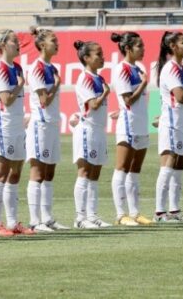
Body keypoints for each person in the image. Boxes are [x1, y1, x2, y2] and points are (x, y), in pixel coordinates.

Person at [0, 29, 35, 236]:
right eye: (14, 41)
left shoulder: (16, 67)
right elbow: (6, 99)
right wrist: (20, 85)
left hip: (16, 125)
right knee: (0, 174)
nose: (18, 44)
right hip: (3, 125)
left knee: (15, 173)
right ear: (2, 46)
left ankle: (14, 222)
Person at [26, 28, 68, 232]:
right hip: (40, 124)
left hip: (52, 123)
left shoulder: (51, 67)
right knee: (38, 172)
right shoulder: (37, 68)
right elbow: (43, 101)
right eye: (54, 40)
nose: (57, 44)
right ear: (42, 45)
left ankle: (47, 217)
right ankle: (35, 221)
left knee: (50, 172)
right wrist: (57, 85)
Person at [110, 31, 153, 226]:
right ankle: (121, 214)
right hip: (128, 125)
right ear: (127, 49)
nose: (143, 49)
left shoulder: (138, 68)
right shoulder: (122, 70)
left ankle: (135, 213)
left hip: (141, 124)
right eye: (139, 46)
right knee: (122, 169)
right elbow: (127, 100)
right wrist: (143, 84)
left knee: (135, 171)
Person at [72, 40, 112, 229]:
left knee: (95, 173)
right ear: (86, 58)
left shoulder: (99, 78)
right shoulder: (84, 78)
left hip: (99, 130)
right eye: (98, 54)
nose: (102, 57)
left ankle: (92, 215)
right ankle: (80, 218)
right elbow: (93, 105)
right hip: (87, 130)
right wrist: (105, 93)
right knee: (85, 172)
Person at [153, 31, 183, 222]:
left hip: (182, 123)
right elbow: (181, 97)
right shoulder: (171, 69)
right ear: (173, 47)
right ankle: (160, 212)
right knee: (168, 165)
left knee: (179, 166)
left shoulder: (181, 69)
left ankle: (175, 210)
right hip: (172, 124)